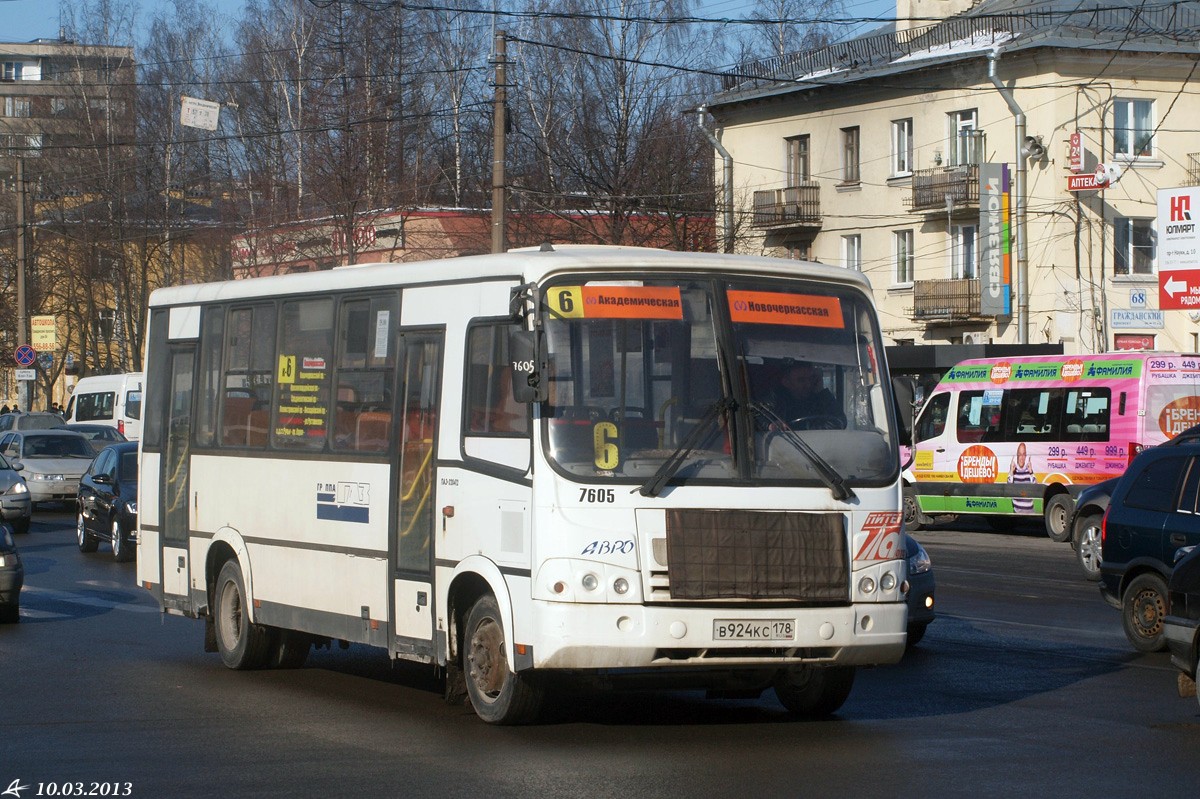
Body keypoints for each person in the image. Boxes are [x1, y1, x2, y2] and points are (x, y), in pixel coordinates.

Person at [764, 361, 844, 427]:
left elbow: (840, 422)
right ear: (786, 382)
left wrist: (821, 392)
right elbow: (759, 420)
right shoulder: (774, 400)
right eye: (801, 380)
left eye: (811, 378)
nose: (808, 384)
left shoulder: (821, 400)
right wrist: (771, 425)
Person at [1008, 442, 1037, 512]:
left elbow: (1036, 489)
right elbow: (1008, 489)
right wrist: (1011, 472)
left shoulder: (1029, 471)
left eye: (1023, 455)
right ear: (1017, 455)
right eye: (1020, 454)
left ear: (1026, 456)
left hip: (1031, 513)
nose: (1021, 458)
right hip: (1017, 513)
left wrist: (1031, 472)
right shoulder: (1014, 472)